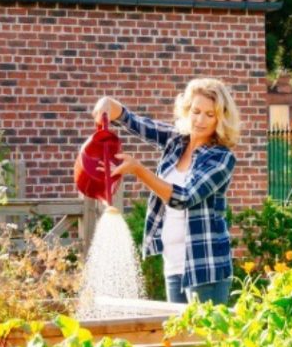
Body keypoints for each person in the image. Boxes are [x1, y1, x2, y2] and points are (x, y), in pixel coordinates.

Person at [92, 78, 240, 305]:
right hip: (173, 264)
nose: (200, 120)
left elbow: (184, 197)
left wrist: (138, 170)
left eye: (210, 115)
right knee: (178, 337)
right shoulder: (176, 141)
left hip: (205, 268)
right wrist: (110, 105)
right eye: (196, 111)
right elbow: (137, 123)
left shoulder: (221, 158)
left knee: (204, 339)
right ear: (187, 110)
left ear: (220, 119)